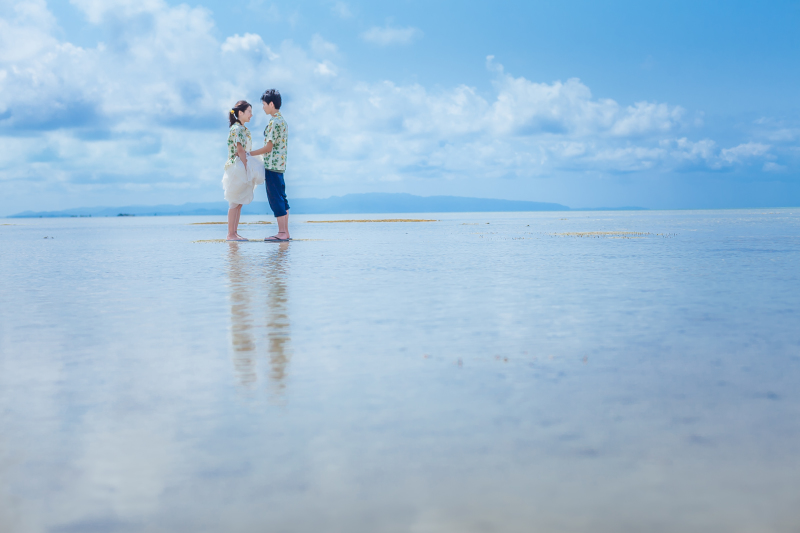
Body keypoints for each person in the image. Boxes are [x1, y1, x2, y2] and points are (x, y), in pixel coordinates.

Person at [249, 89, 290, 242]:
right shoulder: (283, 121)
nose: (263, 107)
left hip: (272, 165)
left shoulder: (274, 122)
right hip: (280, 165)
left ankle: (281, 233)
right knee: (282, 198)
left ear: (271, 104)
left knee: (275, 199)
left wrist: (249, 154)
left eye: (264, 104)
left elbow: (268, 147)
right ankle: (285, 232)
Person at [222, 100, 264, 241]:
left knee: (239, 202)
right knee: (235, 202)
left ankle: (234, 232)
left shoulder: (242, 128)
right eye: (249, 112)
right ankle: (230, 234)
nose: (251, 115)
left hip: (240, 164)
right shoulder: (237, 129)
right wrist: (247, 169)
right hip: (238, 166)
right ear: (241, 113)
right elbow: (240, 150)